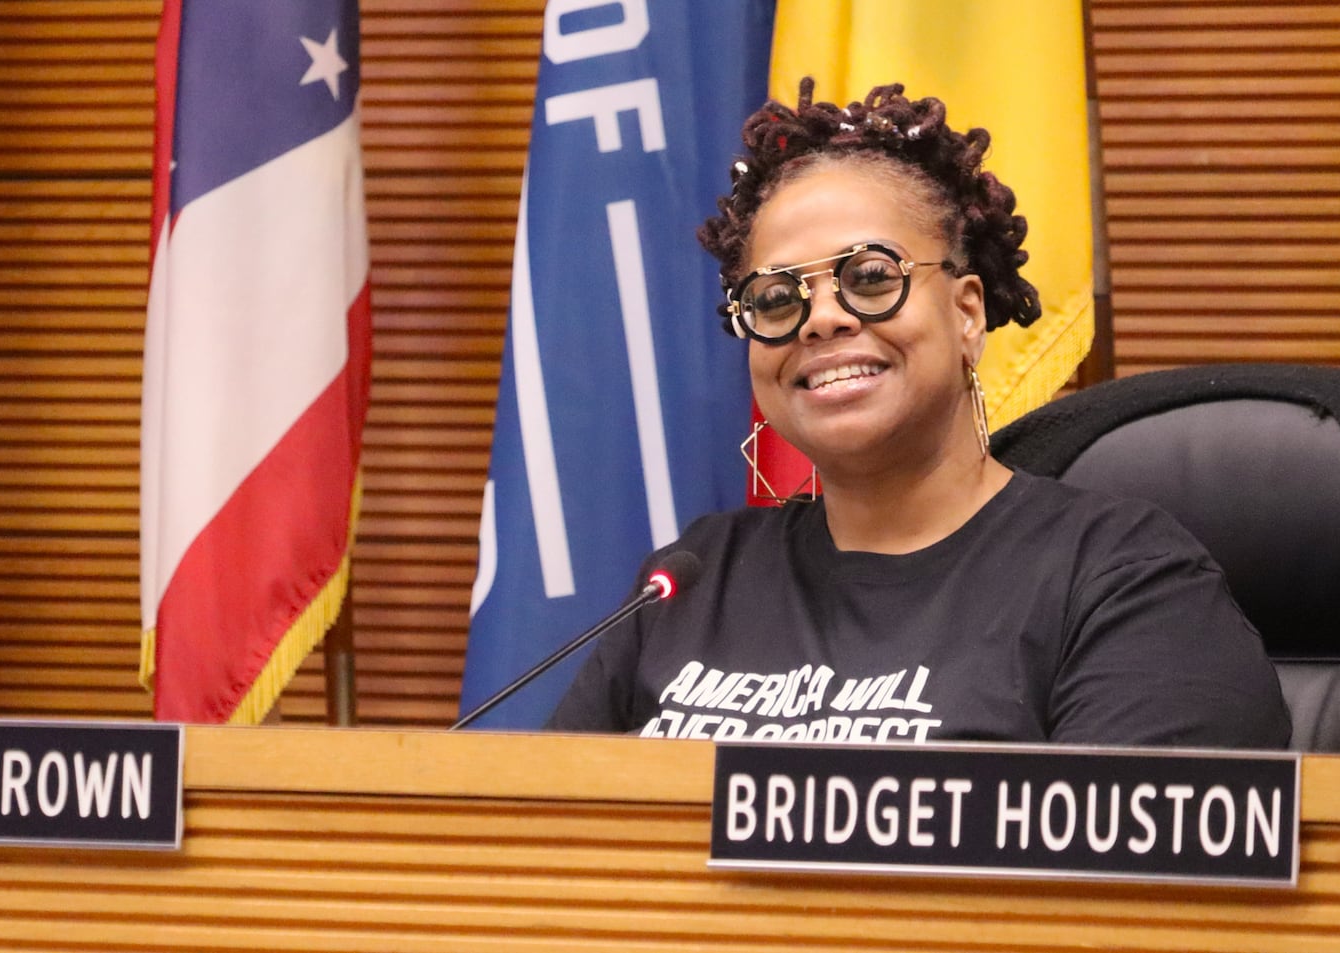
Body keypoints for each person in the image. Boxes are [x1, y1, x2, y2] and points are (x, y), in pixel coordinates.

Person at [546, 79, 1290, 749]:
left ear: (967, 313)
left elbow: (1114, 890)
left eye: (870, 277)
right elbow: (545, 841)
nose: (821, 319)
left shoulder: (1123, 580)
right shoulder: (693, 580)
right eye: (775, 298)